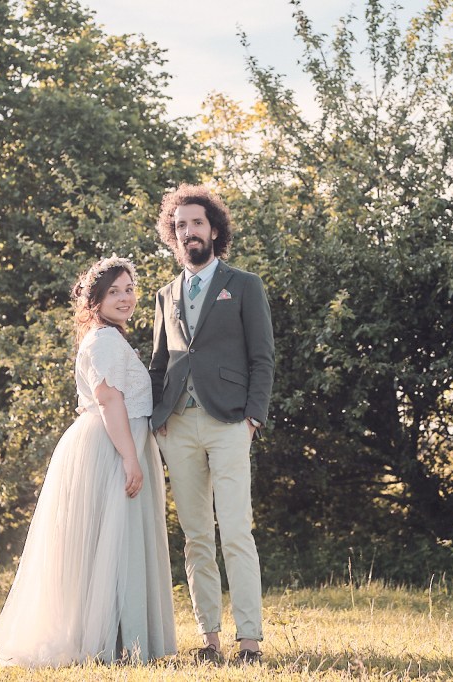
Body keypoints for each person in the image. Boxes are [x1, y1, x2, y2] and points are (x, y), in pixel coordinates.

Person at [0, 256, 176, 667]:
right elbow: (108, 400)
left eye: (129, 289)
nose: (125, 298)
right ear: (95, 301)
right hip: (113, 446)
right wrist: (130, 458)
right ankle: (112, 642)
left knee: (114, 541)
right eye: (114, 292)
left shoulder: (108, 337)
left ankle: (119, 638)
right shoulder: (105, 341)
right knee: (113, 541)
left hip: (118, 441)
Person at [148, 184, 275, 665]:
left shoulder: (244, 285)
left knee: (236, 532)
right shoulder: (165, 295)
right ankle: (209, 641)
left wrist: (253, 418)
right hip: (178, 426)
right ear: (173, 235)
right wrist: (157, 419)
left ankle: (249, 642)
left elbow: (262, 358)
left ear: (214, 229)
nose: (188, 232)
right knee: (196, 537)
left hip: (230, 423)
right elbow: (159, 364)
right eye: (180, 225)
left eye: (196, 223)